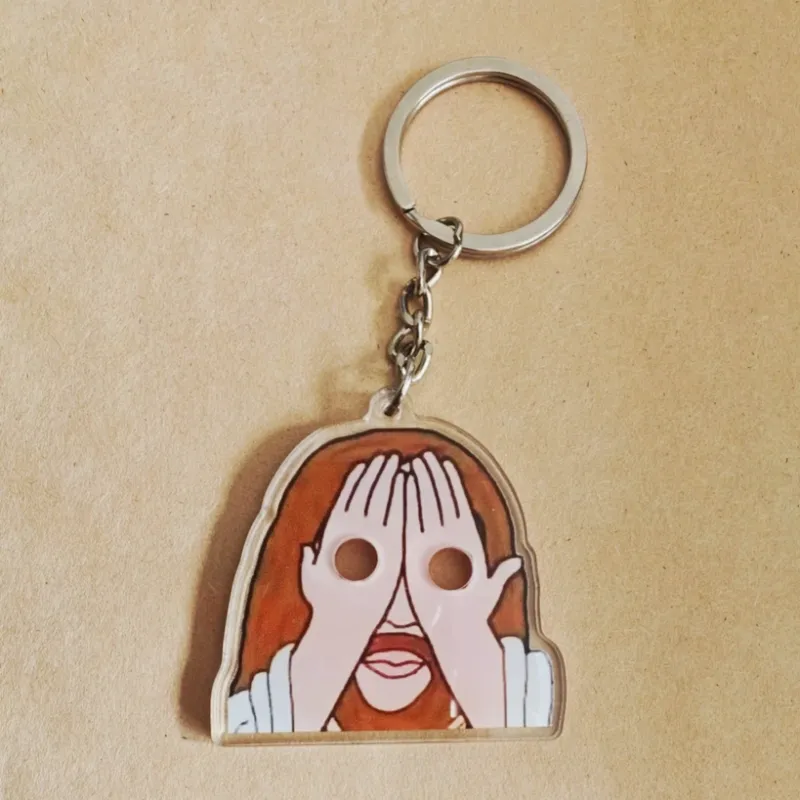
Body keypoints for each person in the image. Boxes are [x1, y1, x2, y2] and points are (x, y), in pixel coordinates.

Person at [227, 429, 556, 733]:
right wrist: (331, 635)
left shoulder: (528, 710)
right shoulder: (248, 718)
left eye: (444, 573)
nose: (400, 615)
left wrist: (467, 637)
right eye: (357, 568)